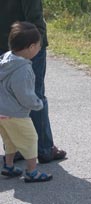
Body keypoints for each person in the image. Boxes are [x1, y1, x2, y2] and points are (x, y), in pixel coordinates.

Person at [0, 0, 66, 163]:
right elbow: (35, 19)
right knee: (34, 95)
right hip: (28, 45)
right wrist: (37, 44)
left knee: (8, 97)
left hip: (5, 47)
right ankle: (44, 148)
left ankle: (16, 148)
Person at [0, 21, 52, 182]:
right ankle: (32, 172)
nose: (38, 49)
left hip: (2, 112)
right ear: (31, 47)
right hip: (16, 114)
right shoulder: (22, 69)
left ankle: (8, 166)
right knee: (30, 140)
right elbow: (25, 95)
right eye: (38, 46)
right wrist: (37, 103)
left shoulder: (6, 59)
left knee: (10, 139)